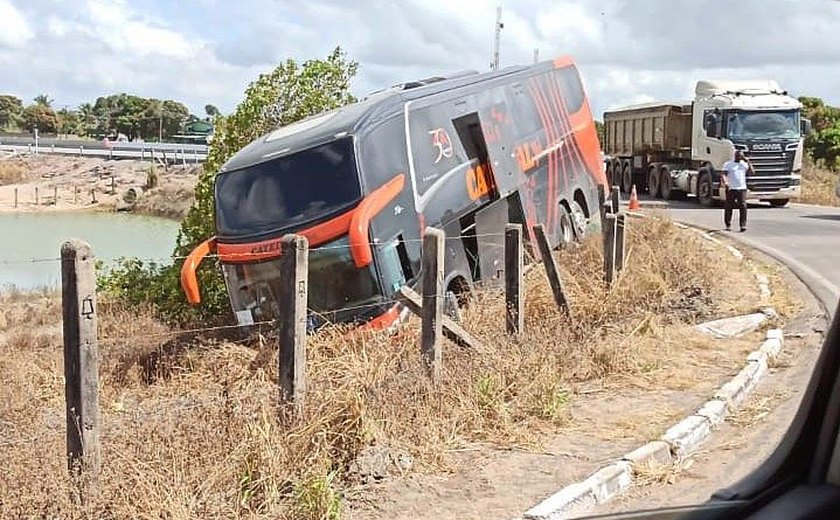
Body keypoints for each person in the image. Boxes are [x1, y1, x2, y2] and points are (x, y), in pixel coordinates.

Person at [721, 150, 752, 232]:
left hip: (742, 188)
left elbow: (752, 172)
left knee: (743, 206)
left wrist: (748, 162)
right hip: (731, 188)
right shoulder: (728, 164)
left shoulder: (743, 164)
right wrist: (726, 182)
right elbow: (724, 174)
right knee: (729, 206)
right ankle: (728, 224)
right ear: (735, 156)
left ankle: (743, 225)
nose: (740, 158)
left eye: (741, 156)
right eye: (738, 156)